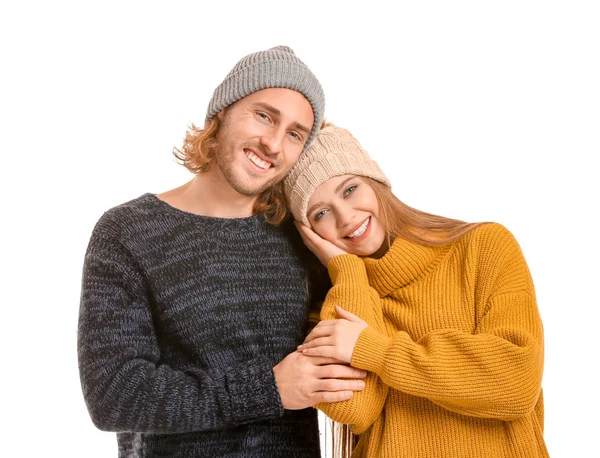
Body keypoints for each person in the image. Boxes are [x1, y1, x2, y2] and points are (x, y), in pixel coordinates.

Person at [77, 46, 368, 458]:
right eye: (264, 116)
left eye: (294, 134)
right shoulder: (129, 232)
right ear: (223, 112)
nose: (273, 143)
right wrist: (268, 390)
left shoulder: (301, 235)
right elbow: (113, 396)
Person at [283, 124, 550, 457]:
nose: (346, 217)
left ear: (375, 181)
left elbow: (516, 381)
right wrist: (349, 272)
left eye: (350, 189)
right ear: (310, 234)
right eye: (320, 213)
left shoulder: (483, 248)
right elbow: (357, 409)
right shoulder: (336, 304)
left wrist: (375, 350)